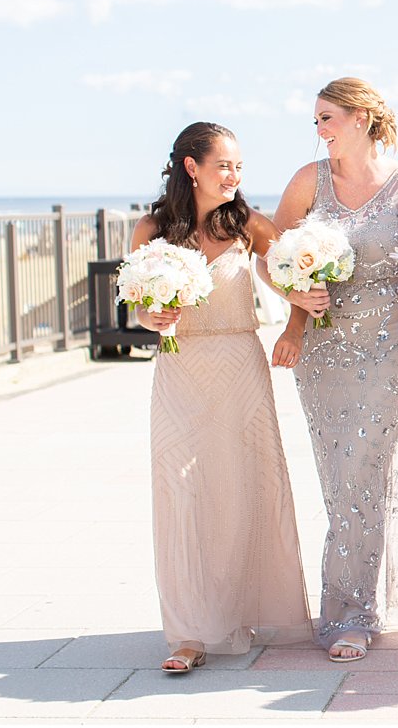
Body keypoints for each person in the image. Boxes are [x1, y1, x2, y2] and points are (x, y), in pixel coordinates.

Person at [267, 78, 398, 662]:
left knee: (368, 462)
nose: (319, 131)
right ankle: (363, 598)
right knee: (341, 475)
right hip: (322, 350)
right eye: (316, 121)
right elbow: (272, 254)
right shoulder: (306, 182)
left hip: (389, 347)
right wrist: (296, 307)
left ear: (363, 118)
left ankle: (350, 613)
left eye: (328, 118)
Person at [133, 122, 312, 673]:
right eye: (224, 165)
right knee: (182, 494)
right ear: (193, 167)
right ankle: (188, 632)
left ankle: (239, 607)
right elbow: (138, 307)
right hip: (180, 370)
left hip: (240, 366)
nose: (234, 175)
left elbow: (302, 274)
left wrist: (293, 329)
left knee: (241, 489)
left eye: (239, 166)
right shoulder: (153, 229)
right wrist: (151, 316)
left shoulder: (249, 226)